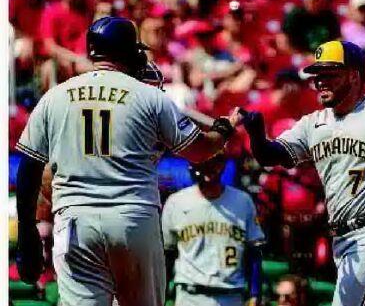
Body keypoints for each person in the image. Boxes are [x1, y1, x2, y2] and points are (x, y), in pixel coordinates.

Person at [15, 16, 242, 306]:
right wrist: (224, 129)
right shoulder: (149, 96)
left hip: (75, 221)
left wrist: (27, 231)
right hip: (133, 217)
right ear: (128, 51)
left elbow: (29, 167)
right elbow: (199, 151)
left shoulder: (55, 96)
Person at [240, 40, 365, 306]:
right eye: (317, 76)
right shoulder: (314, 123)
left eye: (329, 74)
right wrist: (256, 136)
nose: (320, 82)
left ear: (354, 75)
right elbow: (271, 156)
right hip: (345, 241)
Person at [161, 153, 265, 306]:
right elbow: (167, 255)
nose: (210, 168)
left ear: (222, 164)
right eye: (205, 162)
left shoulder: (242, 202)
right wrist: (161, 294)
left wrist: (255, 293)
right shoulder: (176, 202)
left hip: (230, 295)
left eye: (215, 161)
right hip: (189, 296)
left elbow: (254, 253)